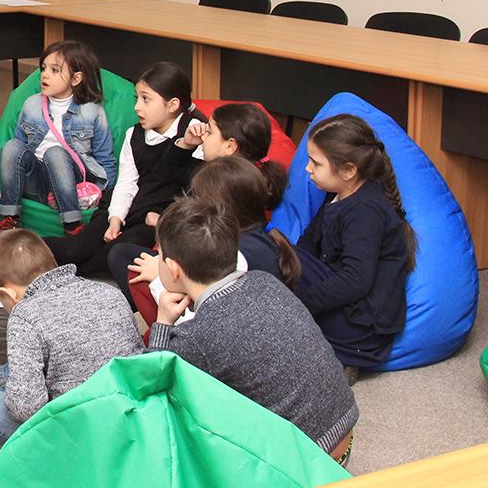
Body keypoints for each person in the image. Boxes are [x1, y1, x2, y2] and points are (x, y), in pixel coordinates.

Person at [147, 197, 357, 463]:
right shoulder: (265, 280)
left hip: (306, 464)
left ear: (174, 269)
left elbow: (151, 385)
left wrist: (163, 323)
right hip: (345, 430)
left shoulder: (197, 336)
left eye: (160, 255)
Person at [0, 228, 141, 445]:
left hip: (72, 438)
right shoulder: (111, 293)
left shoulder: (26, 314)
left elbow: (25, 409)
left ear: (8, 294)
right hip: (129, 421)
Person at [45, 61, 205, 277]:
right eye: (137, 98)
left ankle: (54, 273)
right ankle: (17, 247)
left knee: (100, 261)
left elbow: (189, 187)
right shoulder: (134, 134)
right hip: (126, 205)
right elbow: (126, 182)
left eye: (146, 99)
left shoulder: (194, 135)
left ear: (172, 105)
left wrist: (162, 220)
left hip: (153, 218)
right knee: (76, 249)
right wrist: (115, 219)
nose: (137, 107)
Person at [295, 114, 417, 376]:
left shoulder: (365, 211)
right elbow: (306, 245)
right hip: (346, 312)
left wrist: (297, 303)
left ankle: (341, 358)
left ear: (349, 170)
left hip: (360, 332)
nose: (307, 169)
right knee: (278, 254)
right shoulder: (338, 196)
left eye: (316, 163)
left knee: (271, 256)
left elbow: (355, 280)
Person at [124, 157, 302, 324]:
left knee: (133, 270)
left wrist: (159, 277)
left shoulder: (236, 254)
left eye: (197, 199)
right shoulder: (260, 237)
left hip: (216, 327)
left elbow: (206, 316)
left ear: (221, 209)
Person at [0, 40, 117, 234]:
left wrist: (108, 200)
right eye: (43, 68)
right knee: (11, 146)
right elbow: (20, 146)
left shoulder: (91, 112)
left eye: (55, 70)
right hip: (38, 182)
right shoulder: (31, 105)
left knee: (55, 153)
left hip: (72, 183)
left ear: (76, 79)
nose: (45, 74)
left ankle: (72, 224)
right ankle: (10, 218)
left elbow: (105, 159)